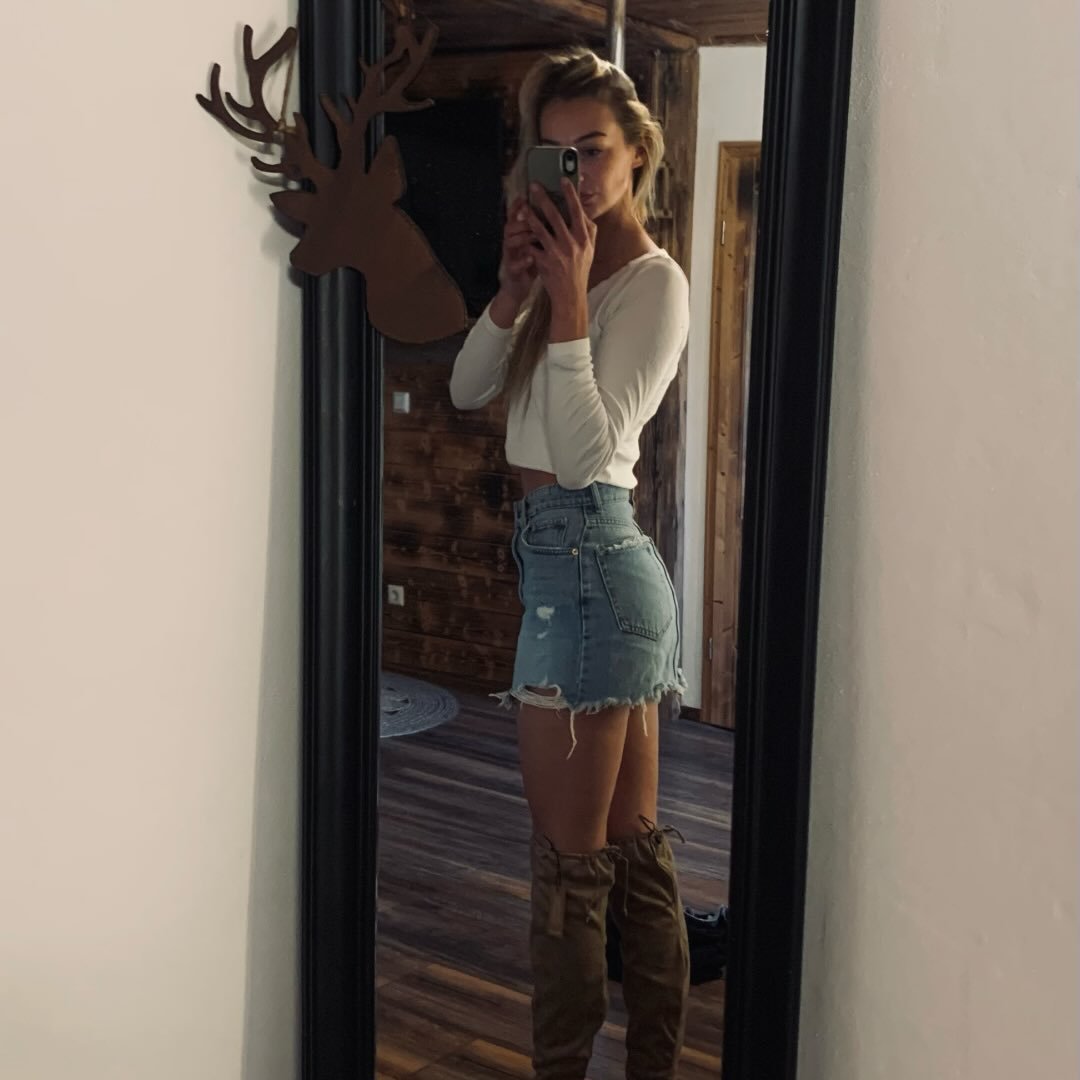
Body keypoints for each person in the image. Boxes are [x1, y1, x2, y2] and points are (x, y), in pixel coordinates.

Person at [449, 48, 691, 1080]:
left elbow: (588, 456)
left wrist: (576, 304)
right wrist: (517, 295)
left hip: (589, 562)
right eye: (555, 155)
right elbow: (467, 389)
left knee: (570, 872)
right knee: (628, 849)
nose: (577, 175)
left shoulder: (652, 284)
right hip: (582, 571)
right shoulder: (554, 283)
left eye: (593, 151)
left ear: (638, 154)